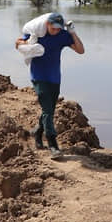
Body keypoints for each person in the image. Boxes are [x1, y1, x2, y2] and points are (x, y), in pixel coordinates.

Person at [15, 13, 84, 156]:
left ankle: (38, 132)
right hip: (39, 77)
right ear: (47, 24)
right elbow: (18, 43)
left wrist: (73, 33)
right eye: (53, 28)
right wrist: (27, 45)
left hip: (54, 78)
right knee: (47, 109)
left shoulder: (62, 35)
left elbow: (80, 50)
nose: (56, 31)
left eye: (59, 28)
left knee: (49, 110)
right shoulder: (37, 34)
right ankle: (53, 145)